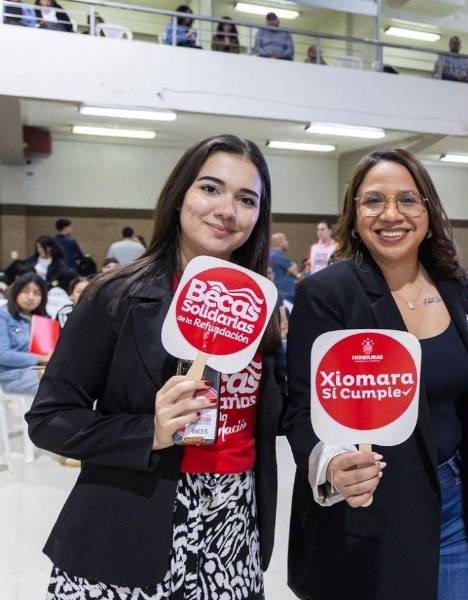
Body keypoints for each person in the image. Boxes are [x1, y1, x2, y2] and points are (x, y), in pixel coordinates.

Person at [26, 134, 284, 598]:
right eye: (210, 188)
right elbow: (49, 419)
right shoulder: (115, 295)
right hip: (127, 525)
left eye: (246, 199)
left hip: (232, 527)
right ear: (180, 193)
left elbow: (279, 414)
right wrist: (150, 432)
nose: (226, 209)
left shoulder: (260, 309)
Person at [283, 149, 468, 600]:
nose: (391, 214)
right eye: (373, 201)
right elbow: (300, 410)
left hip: (457, 505)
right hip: (374, 506)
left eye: (407, 200)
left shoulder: (457, 285)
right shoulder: (325, 294)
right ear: (354, 218)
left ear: (429, 213)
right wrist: (333, 464)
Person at [0, 272, 51, 396]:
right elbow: (2, 354)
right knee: (56, 386)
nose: (31, 297)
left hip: (40, 371)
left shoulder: (44, 319)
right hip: (12, 375)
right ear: (16, 292)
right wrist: (39, 358)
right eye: (25, 291)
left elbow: (48, 353)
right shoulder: (3, 316)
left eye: (37, 293)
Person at [269, 232, 298, 303]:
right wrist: (293, 266)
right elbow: (295, 271)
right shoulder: (277, 255)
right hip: (285, 294)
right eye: (285, 240)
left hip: (282, 292)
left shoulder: (272, 254)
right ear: (279, 242)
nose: (287, 243)